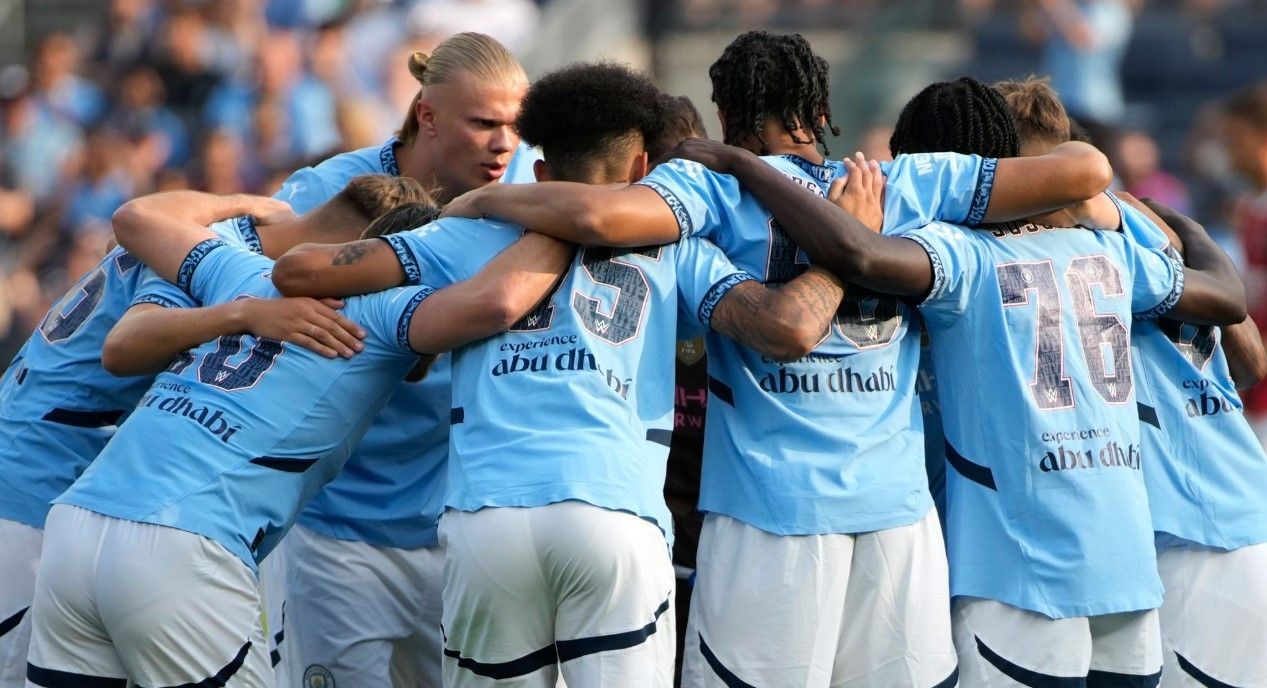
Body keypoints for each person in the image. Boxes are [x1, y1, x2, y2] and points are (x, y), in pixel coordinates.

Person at [438, 32, 1117, 688]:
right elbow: (1086, 170)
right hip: (896, 517)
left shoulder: (712, 187)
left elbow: (599, 218)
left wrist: (489, 197)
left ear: (727, 118)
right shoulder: (904, 181)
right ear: (821, 113)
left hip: (769, 517)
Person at [272, 60, 850, 687]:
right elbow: (783, 329)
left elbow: (299, 270)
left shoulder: (466, 235)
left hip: (487, 521)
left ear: (541, 173)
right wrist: (845, 256)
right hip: (614, 515)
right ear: (642, 170)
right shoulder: (678, 249)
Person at [673, 75, 1245, 686]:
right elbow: (1235, 317)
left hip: (1020, 573)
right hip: (1125, 564)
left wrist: (747, 166)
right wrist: (1167, 222)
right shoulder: (1112, 246)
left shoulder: (958, 254)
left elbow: (857, 254)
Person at [23, 175, 569, 688]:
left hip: (76, 523)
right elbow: (496, 302)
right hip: (183, 541)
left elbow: (136, 217)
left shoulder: (243, 275)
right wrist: (567, 219)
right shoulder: (385, 312)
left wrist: (245, 209)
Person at [0, 177, 389, 688]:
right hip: (34, 484)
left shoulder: (196, 234)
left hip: (39, 465)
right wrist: (245, 313)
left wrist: (242, 204)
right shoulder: (205, 259)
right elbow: (123, 347)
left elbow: (130, 220)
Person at [267, 32, 535, 685]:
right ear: (427, 116)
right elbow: (253, 288)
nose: (503, 144)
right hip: (336, 529)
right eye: (483, 124)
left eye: (515, 126)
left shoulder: (533, 191)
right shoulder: (333, 192)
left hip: (464, 530)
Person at [1001, 76, 1267, 688]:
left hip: (1190, 543)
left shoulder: (1057, 252)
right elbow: (1251, 360)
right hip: (1238, 508)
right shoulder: (1151, 227)